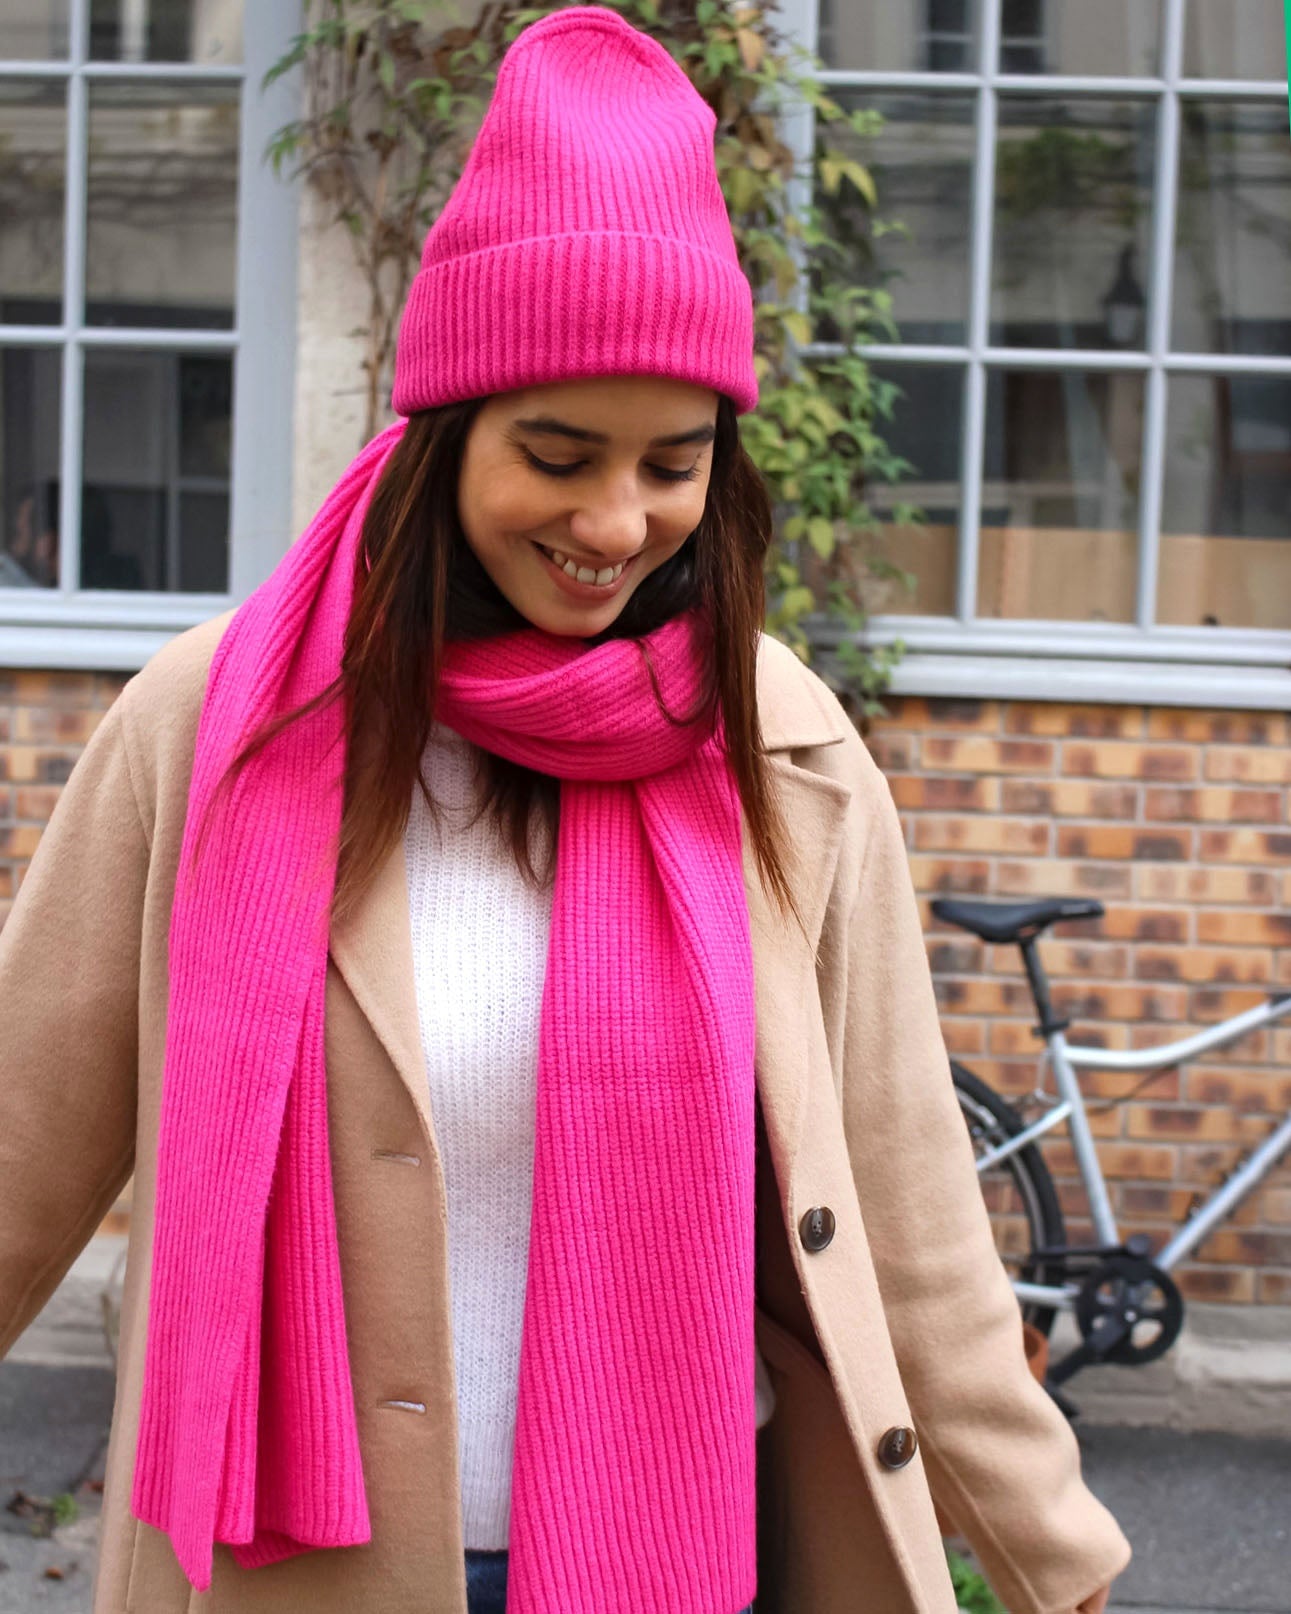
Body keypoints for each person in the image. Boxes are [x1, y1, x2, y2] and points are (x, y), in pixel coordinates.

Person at [0, 8, 1130, 1612]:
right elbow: (18, 1146)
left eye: (674, 464)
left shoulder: (780, 752)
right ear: (445, 429)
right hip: (295, 1572)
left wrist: (1060, 1561)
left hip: (683, 1555)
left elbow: (915, 1225)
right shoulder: (213, 730)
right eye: (558, 451)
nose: (619, 522)